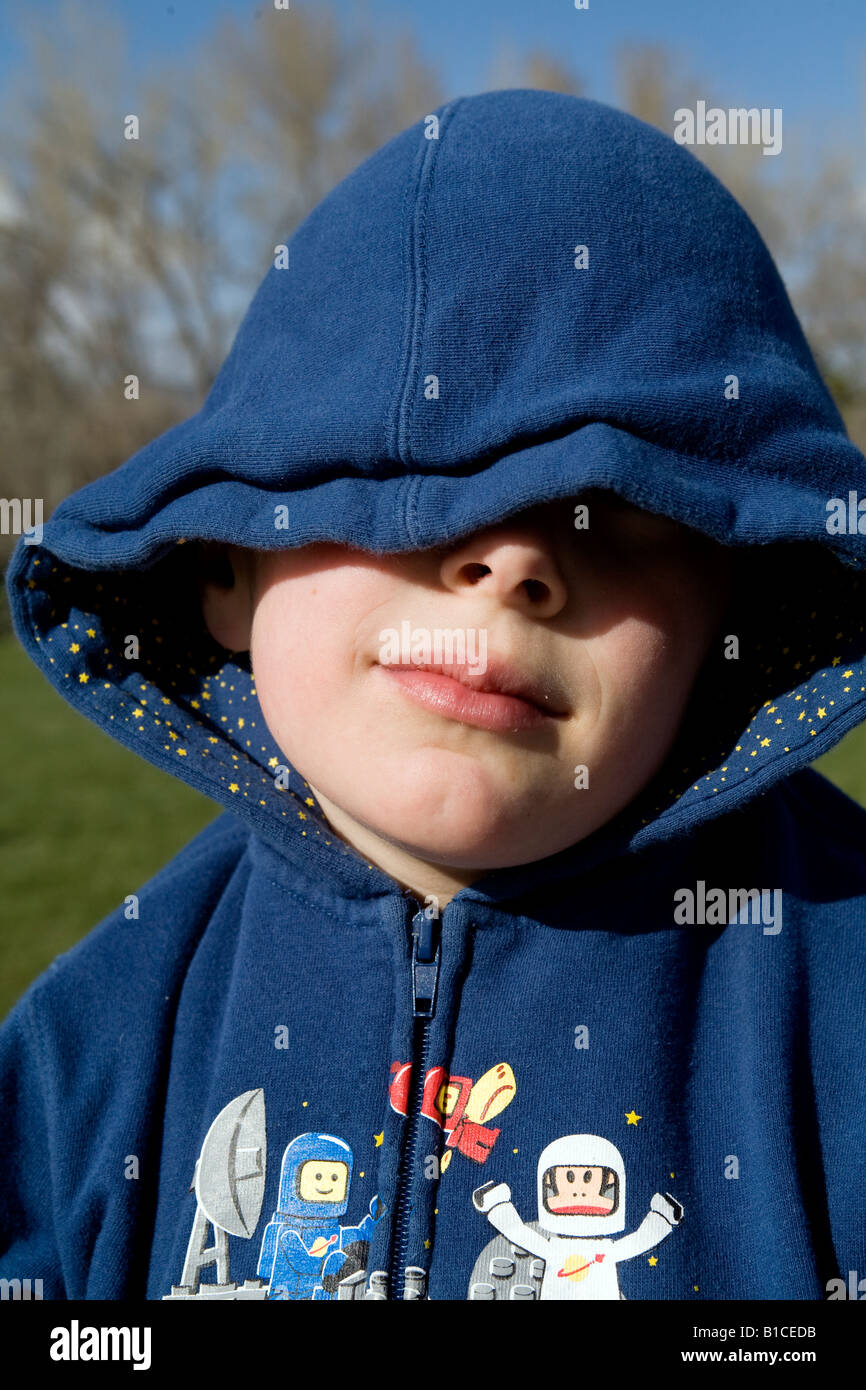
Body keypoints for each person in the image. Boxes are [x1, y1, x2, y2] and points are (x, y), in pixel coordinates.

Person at [2, 90, 865, 1302]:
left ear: (736, 614)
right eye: (409, 468)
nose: (512, 558)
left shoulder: (836, 990)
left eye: (625, 510)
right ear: (226, 563)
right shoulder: (94, 1046)